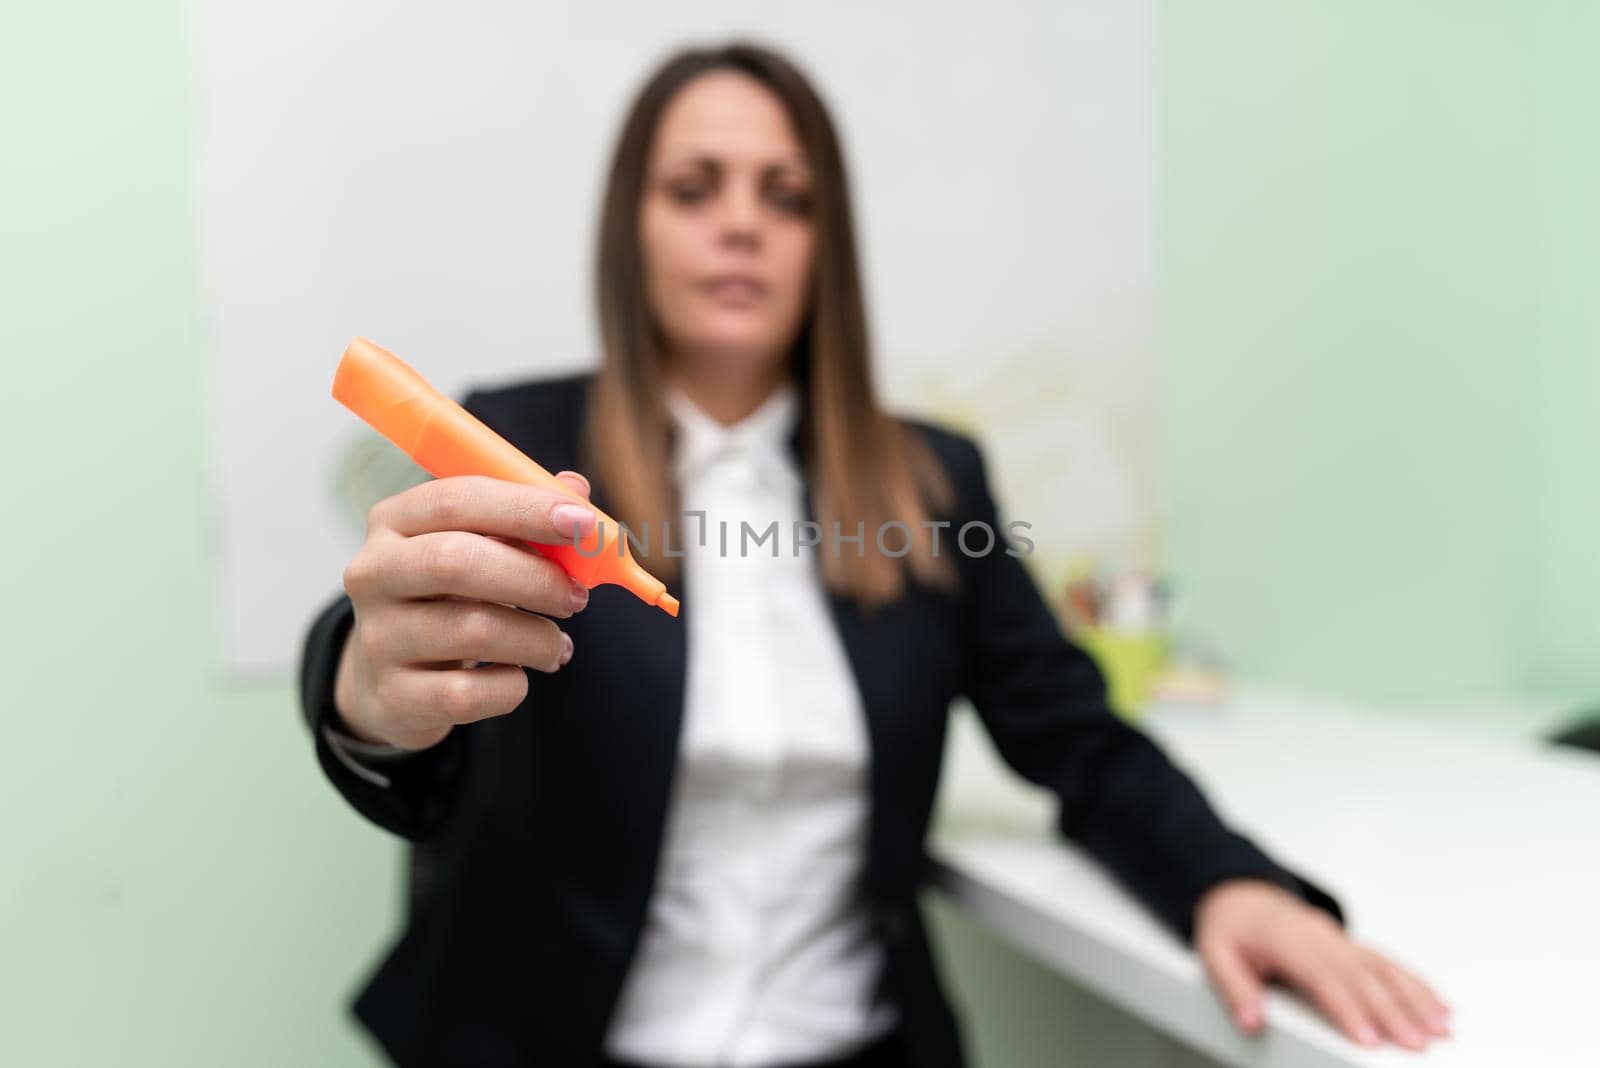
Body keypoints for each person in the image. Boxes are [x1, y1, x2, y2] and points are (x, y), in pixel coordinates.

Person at [298, 41, 1449, 1068]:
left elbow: (1075, 739)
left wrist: (1231, 882)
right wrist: (364, 687)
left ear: (825, 245)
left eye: (786, 196)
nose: (740, 222)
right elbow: (395, 676)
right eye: (693, 189)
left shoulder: (932, 482)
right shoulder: (525, 446)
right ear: (629, 229)